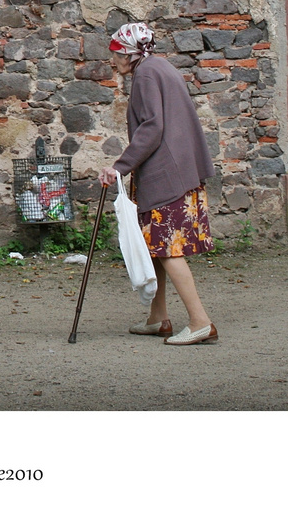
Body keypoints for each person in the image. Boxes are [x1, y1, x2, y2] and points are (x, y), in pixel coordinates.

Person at [98, 21, 219, 345]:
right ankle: (157, 318)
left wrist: (119, 167)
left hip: (168, 176)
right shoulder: (159, 67)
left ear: (129, 53)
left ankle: (200, 322)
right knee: (157, 247)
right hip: (176, 172)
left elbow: (152, 127)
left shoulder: (147, 74)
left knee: (167, 248)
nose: (112, 61)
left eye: (115, 53)